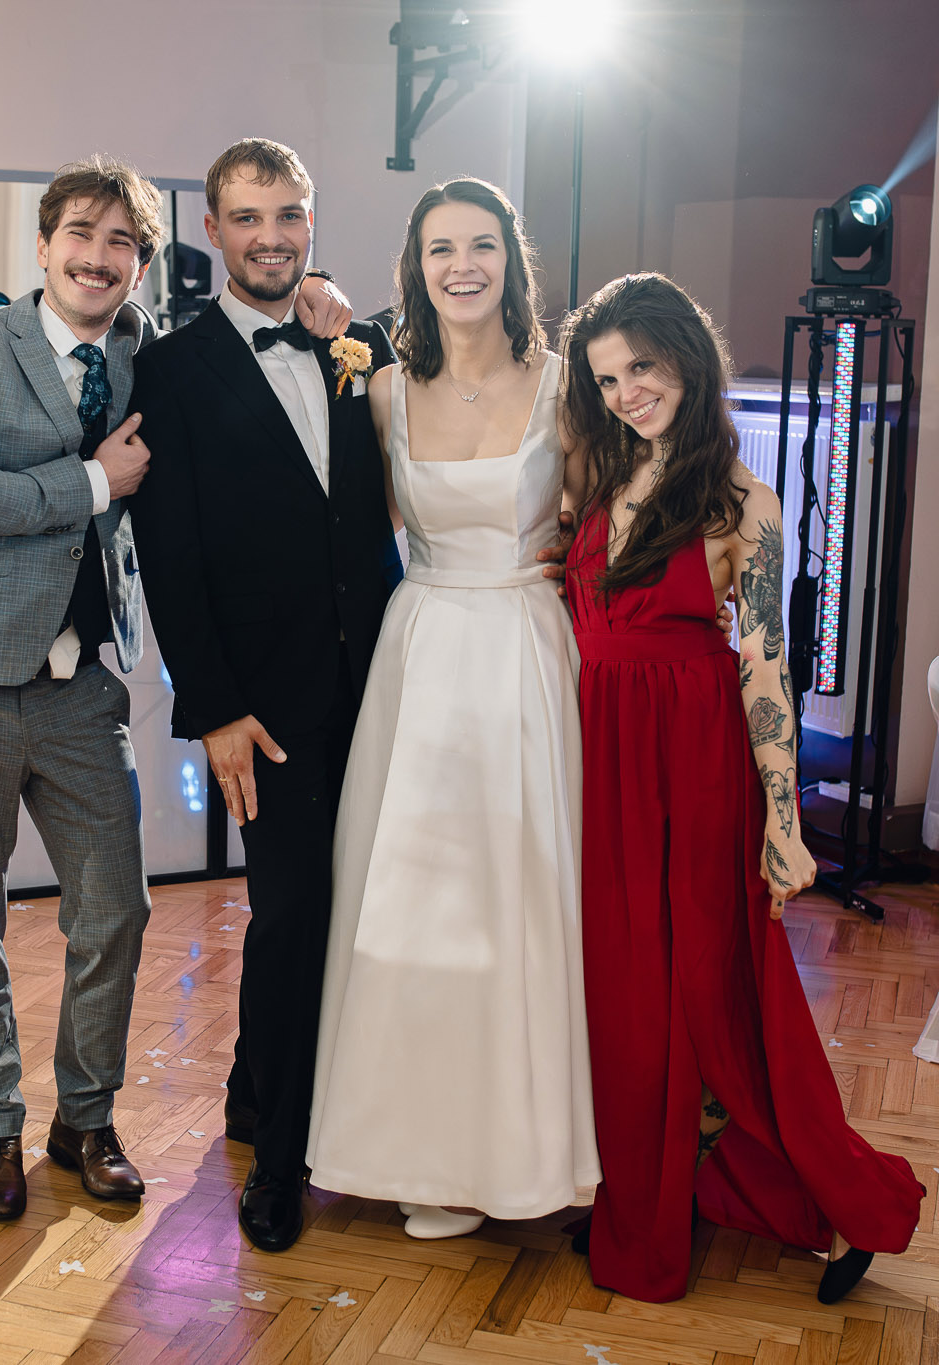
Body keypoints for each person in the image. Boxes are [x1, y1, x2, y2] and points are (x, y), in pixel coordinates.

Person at [0, 152, 357, 1227]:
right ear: (44, 244)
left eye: (121, 243)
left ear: (143, 263)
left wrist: (322, 292)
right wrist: (97, 482)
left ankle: (85, 1119)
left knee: (115, 908)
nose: (98, 259)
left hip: (81, 681)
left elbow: (252, 311)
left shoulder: (148, 352)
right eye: (81, 236)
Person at [560, 272, 923, 1305]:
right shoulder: (593, 476)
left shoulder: (742, 503)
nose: (626, 392)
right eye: (606, 378)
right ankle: (644, 1193)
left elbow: (765, 667)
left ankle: (842, 1204)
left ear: (687, 357)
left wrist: (783, 823)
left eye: (641, 366)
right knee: (625, 996)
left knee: (722, 997)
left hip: (693, 760)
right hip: (600, 757)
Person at [305, 177, 603, 1240]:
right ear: (416, 268)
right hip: (422, 653)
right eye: (441, 248)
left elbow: (601, 522)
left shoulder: (566, 385)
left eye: (481, 245)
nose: (461, 265)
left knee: (522, 897)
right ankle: (417, 1154)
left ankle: (524, 1150)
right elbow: (361, 529)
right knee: (414, 902)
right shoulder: (382, 392)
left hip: (527, 650)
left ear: (510, 262)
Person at [128, 138, 397, 1254]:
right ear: (212, 232)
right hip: (267, 708)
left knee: (370, 906)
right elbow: (170, 553)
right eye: (247, 218)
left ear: (310, 222)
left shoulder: (360, 346)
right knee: (291, 917)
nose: (271, 237)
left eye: (288, 215)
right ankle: (281, 1164)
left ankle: (262, 1093)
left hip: (385, 679)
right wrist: (214, 707)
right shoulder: (172, 369)